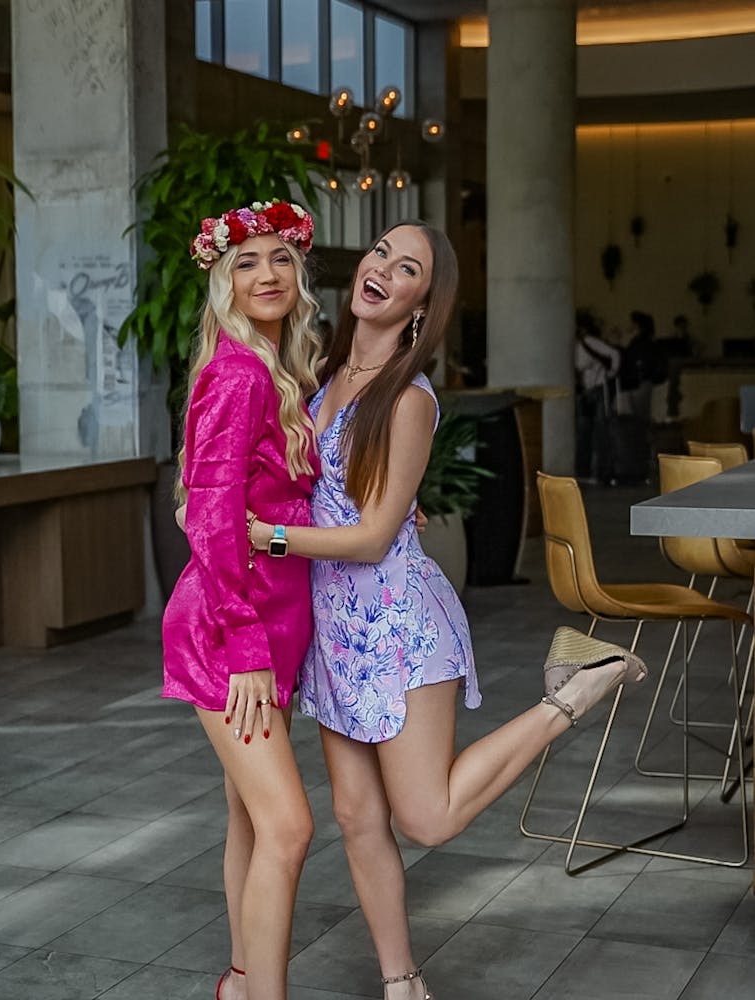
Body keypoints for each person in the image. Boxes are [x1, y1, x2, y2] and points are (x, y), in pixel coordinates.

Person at [247, 222, 648, 1000]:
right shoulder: (321, 375)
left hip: (397, 623)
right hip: (334, 632)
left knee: (425, 818)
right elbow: (339, 492)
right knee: (359, 819)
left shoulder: (409, 398)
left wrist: (269, 538)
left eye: (407, 270)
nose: (382, 271)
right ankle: (402, 983)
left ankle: (577, 687)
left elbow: (366, 540)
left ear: (419, 308)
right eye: (379, 254)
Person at [162, 199, 321, 1000]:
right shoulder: (235, 373)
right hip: (233, 631)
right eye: (247, 262)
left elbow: (278, 501)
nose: (267, 274)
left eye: (280, 259)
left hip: (271, 626)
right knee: (290, 827)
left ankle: (237, 982)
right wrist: (248, 648)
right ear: (224, 279)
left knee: (254, 822)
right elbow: (216, 516)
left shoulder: (277, 369)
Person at [574, 310, 621, 482]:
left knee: (597, 430)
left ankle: (598, 471)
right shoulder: (581, 343)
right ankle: (590, 471)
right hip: (590, 390)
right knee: (589, 431)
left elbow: (614, 354)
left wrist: (611, 373)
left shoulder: (587, 342)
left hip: (596, 389)